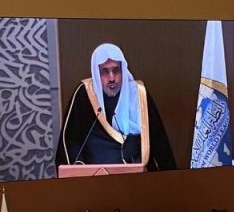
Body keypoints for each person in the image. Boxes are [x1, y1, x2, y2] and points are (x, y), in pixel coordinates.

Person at [58, 43, 176, 171]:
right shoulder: (85, 94)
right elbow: (70, 141)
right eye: (105, 72)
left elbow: (159, 141)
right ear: (96, 73)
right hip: (95, 177)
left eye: (116, 70)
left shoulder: (138, 95)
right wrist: (79, 169)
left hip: (135, 176)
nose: (112, 78)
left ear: (123, 70)